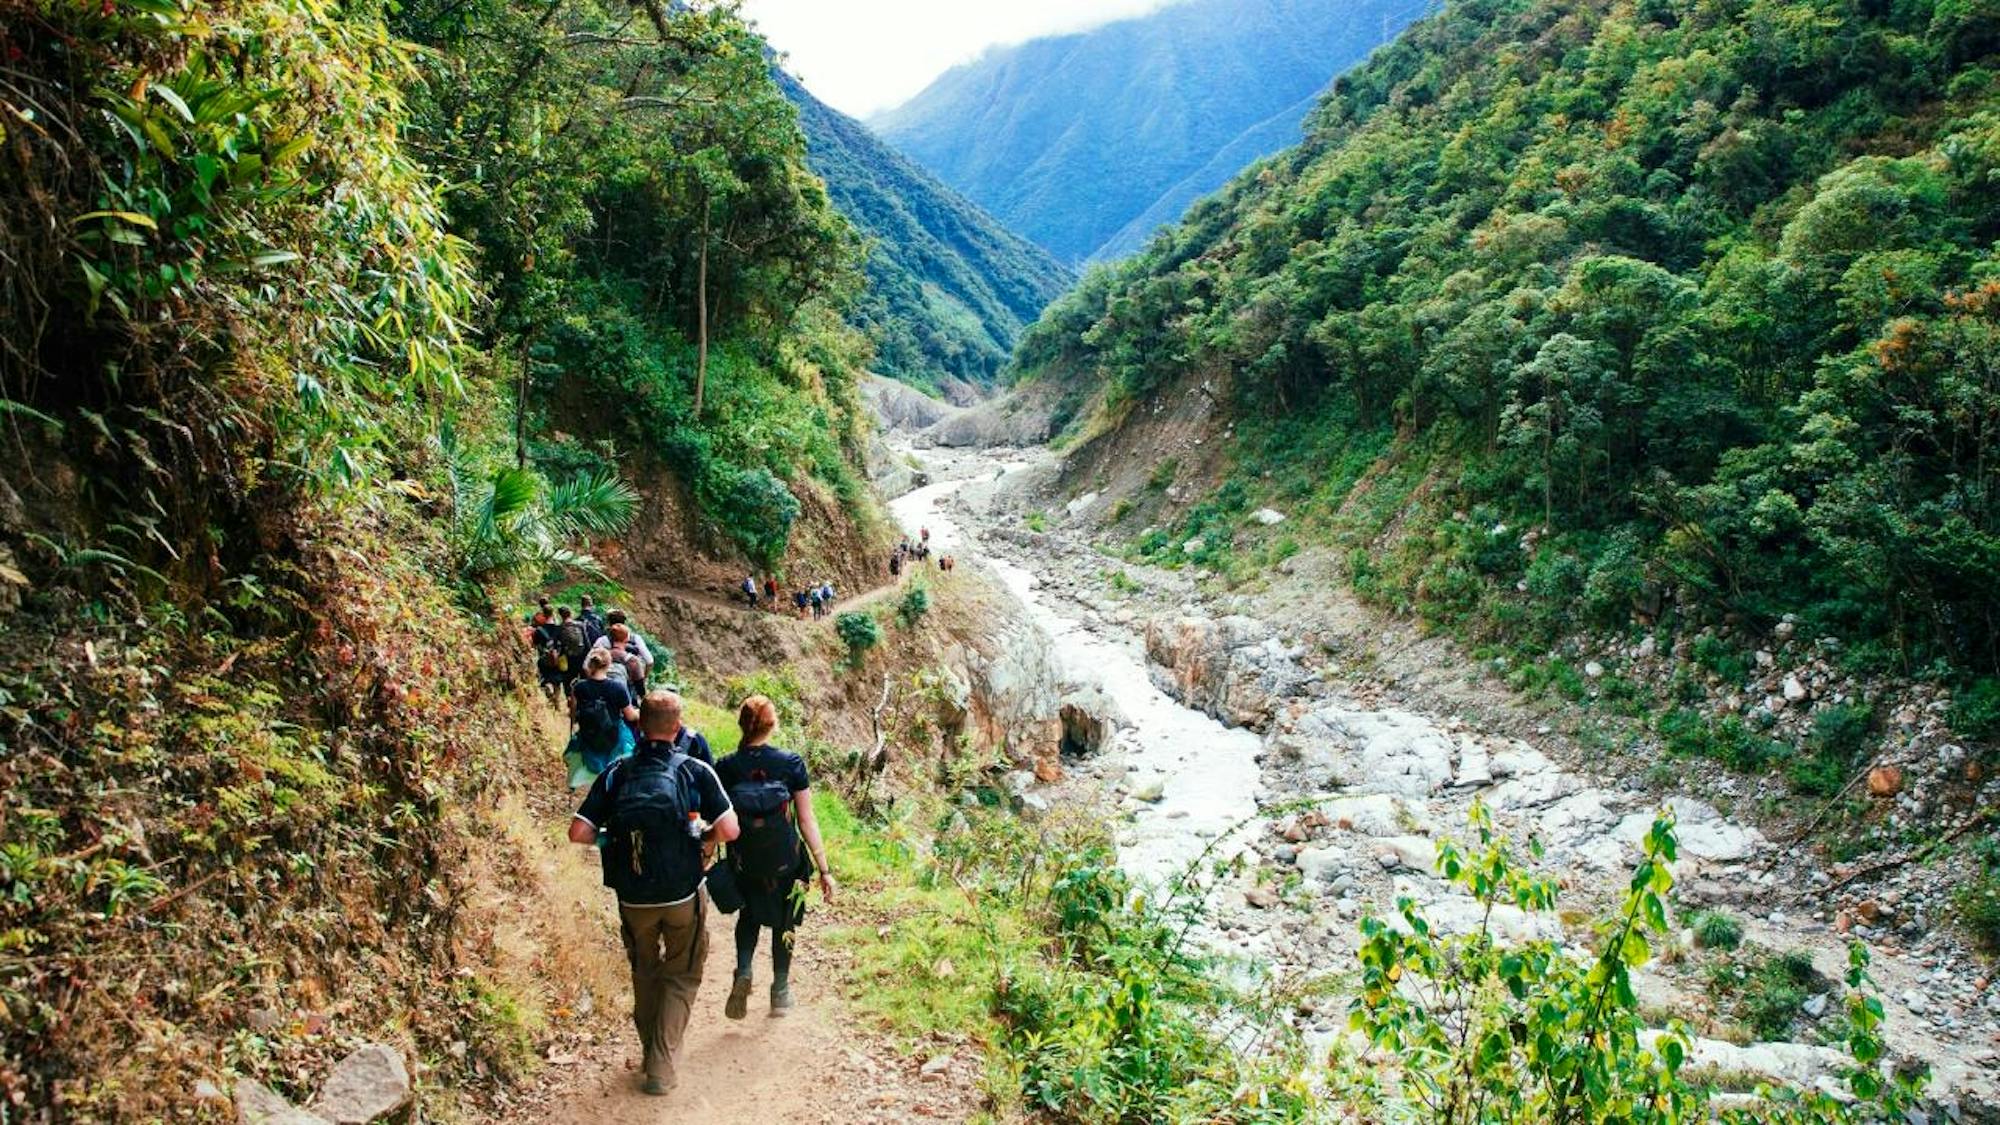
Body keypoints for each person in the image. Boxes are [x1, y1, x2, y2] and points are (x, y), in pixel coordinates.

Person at [570, 692, 738, 1096]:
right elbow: (731, 828)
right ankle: (661, 1067)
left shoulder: (616, 772)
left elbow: (579, 832)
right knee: (682, 974)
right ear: (677, 729)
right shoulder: (694, 770)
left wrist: (613, 841)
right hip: (683, 893)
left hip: (633, 897)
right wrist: (705, 842)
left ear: (638, 726)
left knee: (645, 971)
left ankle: (650, 1052)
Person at [715, 695, 833, 1019]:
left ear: (741, 724)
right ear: (772, 724)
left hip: (745, 860)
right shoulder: (790, 763)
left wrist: (704, 856)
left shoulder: (725, 766)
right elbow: (807, 819)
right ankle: (780, 992)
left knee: (749, 917)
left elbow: (719, 820)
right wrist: (824, 869)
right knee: (786, 922)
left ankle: (743, 971)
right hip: (788, 861)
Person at [567, 649, 637, 787]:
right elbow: (630, 715)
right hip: (614, 737)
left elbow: (573, 714)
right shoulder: (618, 688)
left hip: (589, 734)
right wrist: (639, 712)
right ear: (609, 664)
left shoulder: (579, 687)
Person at [555, 607, 590, 698]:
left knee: (568, 680)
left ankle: (569, 698)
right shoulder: (580, 625)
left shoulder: (559, 628)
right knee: (583, 678)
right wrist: (589, 655)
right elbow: (586, 641)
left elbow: (557, 645)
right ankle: (584, 697)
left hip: (568, 657)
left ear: (561, 616)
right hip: (582, 656)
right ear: (570, 614)